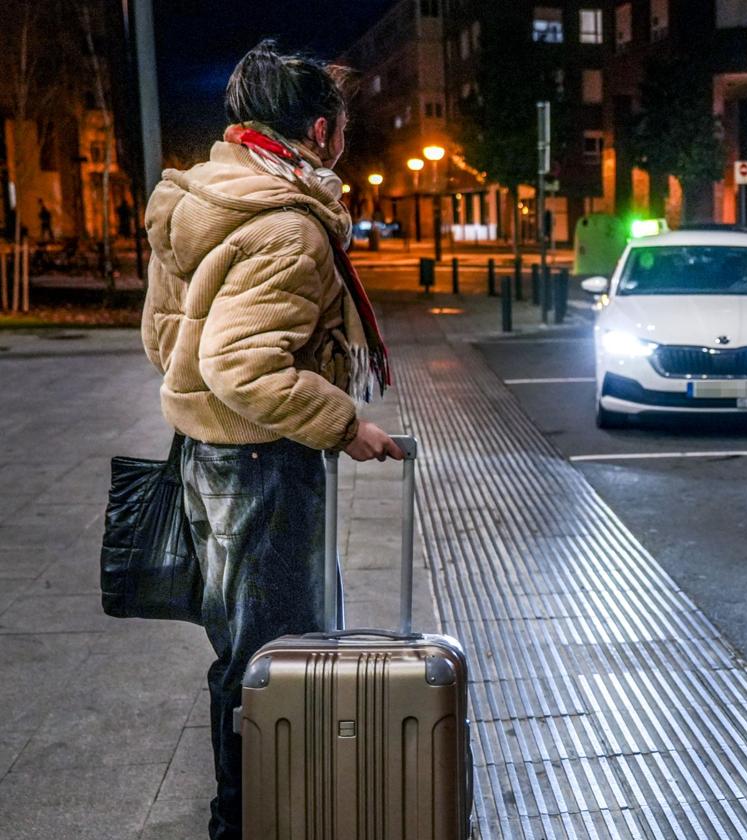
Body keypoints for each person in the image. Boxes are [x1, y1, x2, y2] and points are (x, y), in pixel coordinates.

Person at [140, 40, 402, 840]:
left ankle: (256, 810)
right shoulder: (286, 226)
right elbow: (239, 363)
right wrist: (343, 422)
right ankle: (254, 819)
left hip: (212, 457)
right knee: (276, 656)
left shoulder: (209, 196)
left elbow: (168, 339)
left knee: (248, 645)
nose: (344, 143)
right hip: (263, 465)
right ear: (320, 132)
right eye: (343, 129)